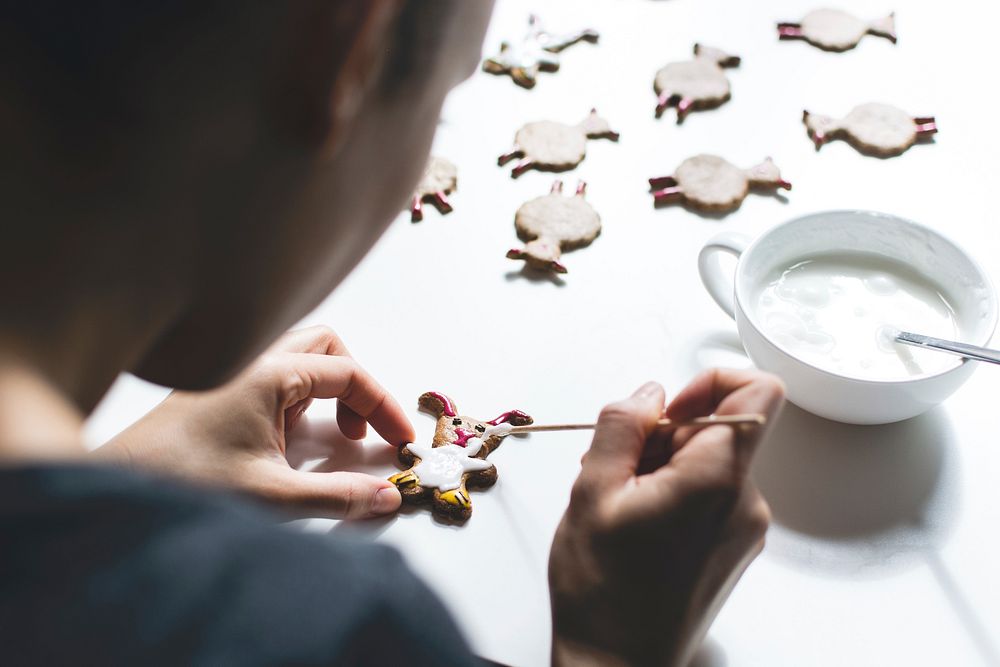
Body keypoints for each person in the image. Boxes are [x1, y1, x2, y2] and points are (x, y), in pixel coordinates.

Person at [0, 1, 785, 665]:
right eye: (441, 103)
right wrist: (611, 646)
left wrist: (123, 478)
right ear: (349, 54)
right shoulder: (315, 628)